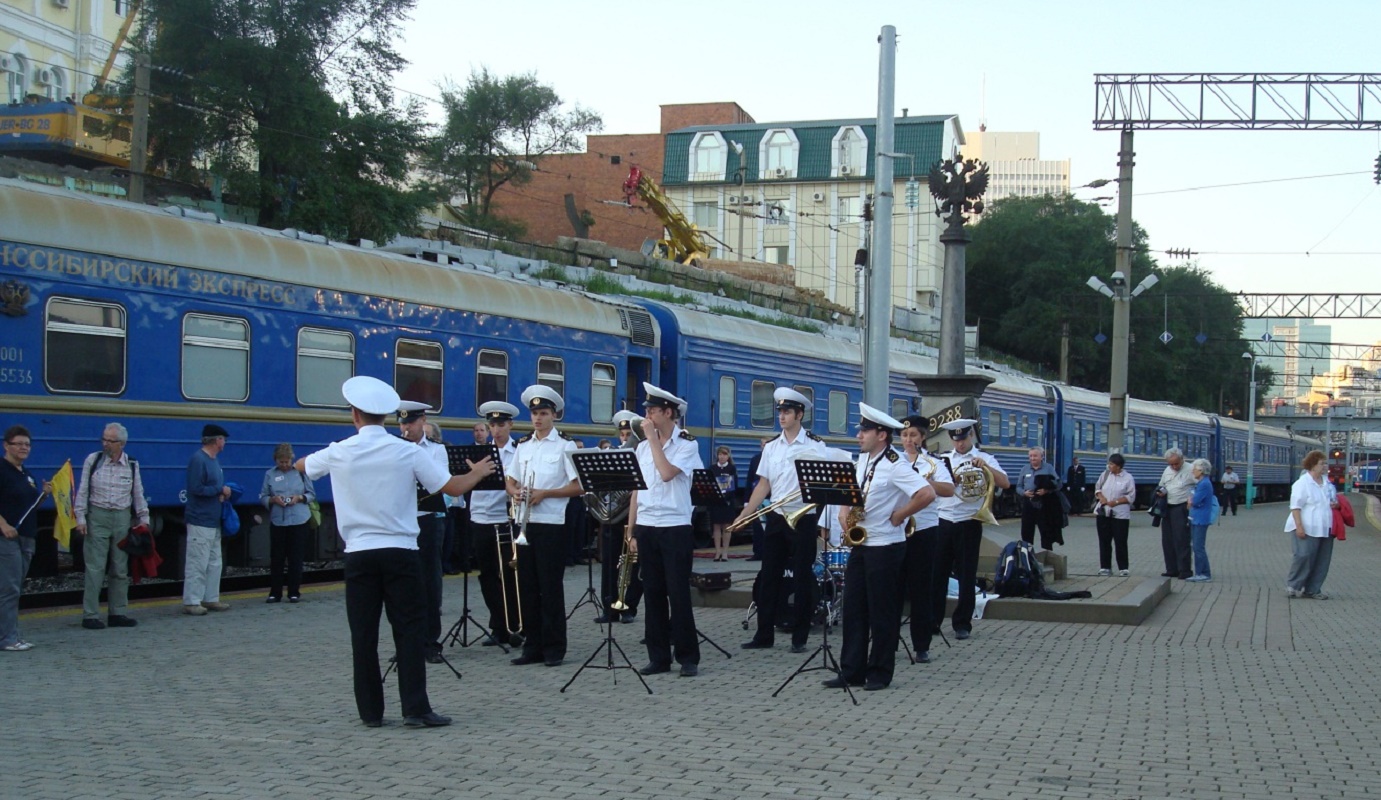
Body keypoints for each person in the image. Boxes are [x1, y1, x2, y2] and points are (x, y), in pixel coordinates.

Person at [297, 376, 494, 728]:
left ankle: (371, 712)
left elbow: (304, 467)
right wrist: (478, 472)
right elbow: (451, 487)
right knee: (408, 630)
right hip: (401, 551)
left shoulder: (339, 451)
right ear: (386, 417)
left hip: (358, 554)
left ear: (355, 415)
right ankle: (415, 709)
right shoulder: (406, 451)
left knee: (364, 634)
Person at [824, 404, 933, 692]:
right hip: (862, 544)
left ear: (881, 434)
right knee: (854, 609)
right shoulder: (863, 461)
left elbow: (927, 493)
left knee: (882, 612)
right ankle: (852, 670)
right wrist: (844, 511)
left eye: (864, 431)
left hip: (886, 546)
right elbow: (852, 491)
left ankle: (880, 672)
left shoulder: (896, 465)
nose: (859, 435)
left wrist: (901, 515)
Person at [734, 388, 830, 654]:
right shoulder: (772, 447)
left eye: (787, 412)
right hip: (777, 517)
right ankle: (764, 634)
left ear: (800, 414)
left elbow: (824, 484)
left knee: (802, 579)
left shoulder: (815, 446)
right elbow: (763, 485)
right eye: (780, 412)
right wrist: (745, 514)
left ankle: (800, 636)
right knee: (769, 577)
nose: (782, 416)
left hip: (804, 518)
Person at [628, 383, 705, 678]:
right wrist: (631, 530)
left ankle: (687, 656)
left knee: (678, 593)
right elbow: (638, 489)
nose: (647, 416)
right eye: (646, 410)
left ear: (669, 413)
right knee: (653, 592)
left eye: (652, 411)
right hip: (647, 526)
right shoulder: (642, 447)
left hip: (674, 527)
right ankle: (658, 657)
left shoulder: (687, 446)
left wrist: (652, 439)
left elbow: (666, 472)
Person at [508, 385, 582, 668]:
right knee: (527, 587)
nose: (538, 418)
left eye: (543, 413)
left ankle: (554, 648)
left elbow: (577, 487)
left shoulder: (565, 446)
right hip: (525, 520)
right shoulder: (523, 445)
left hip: (551, 522)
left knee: (550, 587)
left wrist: (545, 494)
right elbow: (511, 479)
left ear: (554, 415)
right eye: (534, 413)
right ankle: (532, 646)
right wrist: (514, 492)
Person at [934, 418, 1011, 641]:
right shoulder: (944, 460)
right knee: (937, 574)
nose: (960, 444)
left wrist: (985, 468)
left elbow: (1005, 482)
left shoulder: (985, 458)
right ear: (951, 439)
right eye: (955, 440)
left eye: (964, 439)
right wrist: (950, 480)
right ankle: (933, 620)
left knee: (967, 574)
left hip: (969, 520)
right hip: (944, 519)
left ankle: (962, 623)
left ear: (971, 437)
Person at [73, 423, 149, 629]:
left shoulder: (132, 464)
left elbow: (137, 493)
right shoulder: (94, 460)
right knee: (95, 567)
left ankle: (118, 613)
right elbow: (83, 490)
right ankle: (90, 615)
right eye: (104, 439)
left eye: (110, 441)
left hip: (122, 518)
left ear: (122, 443)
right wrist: (80, 518)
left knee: (120, 568)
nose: (105, 444)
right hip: (97, 515)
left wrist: (144, 519)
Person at [897, 416, 954, 664]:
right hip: (897, 529)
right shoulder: (893, 461)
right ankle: (888, 641)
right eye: (904, 435)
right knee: (893, 589)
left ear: (922, 438)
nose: (908, 440)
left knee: (922, 589)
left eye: (913, 435)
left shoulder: (933, 463)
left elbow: (949, 489)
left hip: (924, 529)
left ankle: (922, 645)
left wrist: (925, 483)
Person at [397, 402, 449, 664]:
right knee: (403, 586)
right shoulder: (394, 449)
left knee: (429, 582)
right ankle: (407, 643)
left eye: (411, 423)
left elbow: (438, 480)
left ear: (423, 422)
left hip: (427, 521)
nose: (406, 428)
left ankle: (430, 642)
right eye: (402, 423)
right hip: (401, 522)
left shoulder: (437, 450)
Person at [470, 401, 523, 646]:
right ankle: (498, 625)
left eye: (501, 424)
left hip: (504, 519)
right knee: (488, 575)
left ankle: (517, 625)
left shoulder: (519, 451)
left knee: (510, 575)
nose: (496, 430)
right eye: (492, 425)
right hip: (481, 516)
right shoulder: (480, 453)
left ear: (510, 425)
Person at [1, 426, 51, 651]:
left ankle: (11, 635)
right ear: (6, 445)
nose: (23, 448)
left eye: (27, 444)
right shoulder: (1, 470)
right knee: (9, 588)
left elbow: (29, 506)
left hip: (26, 538)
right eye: (18, 444)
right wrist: (3, 525)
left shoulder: (26, 474)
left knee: (15, 587)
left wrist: (44, 495)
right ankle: (8, 639)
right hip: (7, 538)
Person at [595, 410, 642, 625]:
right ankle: (609, 606)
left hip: (634, 514)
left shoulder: (642, 453)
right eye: (622, 433)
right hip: (613, 515)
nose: (625, 438)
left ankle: (628, 606)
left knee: (632, 562)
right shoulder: (612, 454)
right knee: (610, 562)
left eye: (628, 433)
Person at [184, 424, 231, 616]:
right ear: (216, 440)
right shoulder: (199, 460)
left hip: (213, 519)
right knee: (197, 562)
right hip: (200, 519)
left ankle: (211, 598)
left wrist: (221, 494)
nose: (224, 443)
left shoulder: (214, 460)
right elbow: (195, 488)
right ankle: (192, 601)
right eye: (223, 439)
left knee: (214, 562)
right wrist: (218, 491)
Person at [260, 443, 315, 603]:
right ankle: (275, 593)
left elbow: (311, 494)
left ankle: (294, 592)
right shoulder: (269, 474)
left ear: (291, 459)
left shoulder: (301, 473)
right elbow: (263, 496)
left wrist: (298, 498)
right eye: (281, 462)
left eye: (286, 461)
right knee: (277, 558)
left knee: (295, 558)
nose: (284, 465)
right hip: (278, 520)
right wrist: (272, 500)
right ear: (275, 460)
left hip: (299, 519)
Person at [1286, 450, 1337, 600]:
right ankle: (1293, 586)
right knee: (1303, 555)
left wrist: (1336, 504)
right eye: (1322, 463)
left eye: (1325, 463)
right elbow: (1295, 507)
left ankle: (1313, 589)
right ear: (1312, 465)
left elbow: (1333, 500)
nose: (1325, 466)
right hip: (1307, 526)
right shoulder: (1302, 483)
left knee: (1322, 560)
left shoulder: (1327, 483)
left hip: (1325, 526)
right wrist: (1299, 526)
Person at [1092, 454, 1136, 577]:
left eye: (1112, 464)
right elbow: (1097, 488)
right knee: (1104, 540)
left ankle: (1123, 568)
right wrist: (1101, 498)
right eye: (1109, 464)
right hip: (1103, 513)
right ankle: (1105, 567)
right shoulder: (1105, 475)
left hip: (1120, 515)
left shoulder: (1128, 478)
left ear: (1119, 466)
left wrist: (1115, 502)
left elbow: (1131, 496)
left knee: (1120, 540)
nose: (1109, 466)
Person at [1156, 448, 1195, 580]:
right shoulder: (1167, 471)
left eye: (1176, 464)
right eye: (1171, 464)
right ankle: (1171, 569)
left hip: (1182, 506)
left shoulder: (1191, 469)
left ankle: (1184, 569)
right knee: (1167, 540)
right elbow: (1161, 484)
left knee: (1181, 539)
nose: (1174, 467)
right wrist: (1161, 491)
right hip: (1168, 506)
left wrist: (1192, 498)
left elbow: (1199, 485)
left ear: (1182, 459)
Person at [1018, 447, 1064, 551]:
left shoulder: (1048, 468)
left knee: (1046, 531)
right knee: (1026, 532)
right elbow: (1018, 486)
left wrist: (1047, 491)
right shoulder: (1025, 469)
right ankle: (1028, 555)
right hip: (1028, 504)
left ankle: (1047, 554)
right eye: (1030, 456)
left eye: (1035, 456)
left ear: (1041, 457)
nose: (1032, 458)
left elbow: (1058, 484)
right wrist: (1024, 493)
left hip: (1044, 505)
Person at [742, 437, 773, 561]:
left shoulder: (774, 459)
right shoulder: (755, 459)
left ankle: (770, 552)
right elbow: (749, 479)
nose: (764, 446)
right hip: (757, 496)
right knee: (757, 527)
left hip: (771, 497)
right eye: (763, 444)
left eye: (767, 444)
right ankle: (758, 552)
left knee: (770, 526)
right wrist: (746, 500)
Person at [708, 446, 740, 562]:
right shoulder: (712, 468)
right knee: (716, 527)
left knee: (727, 527)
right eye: (720, 454)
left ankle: (725, 552)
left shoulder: (732, 468)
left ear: (728, 456)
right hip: (716, 501)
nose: (722, 457)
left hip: (727, 501)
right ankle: (717, 552)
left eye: (725, 454)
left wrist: (727, 496)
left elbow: (734, 485)